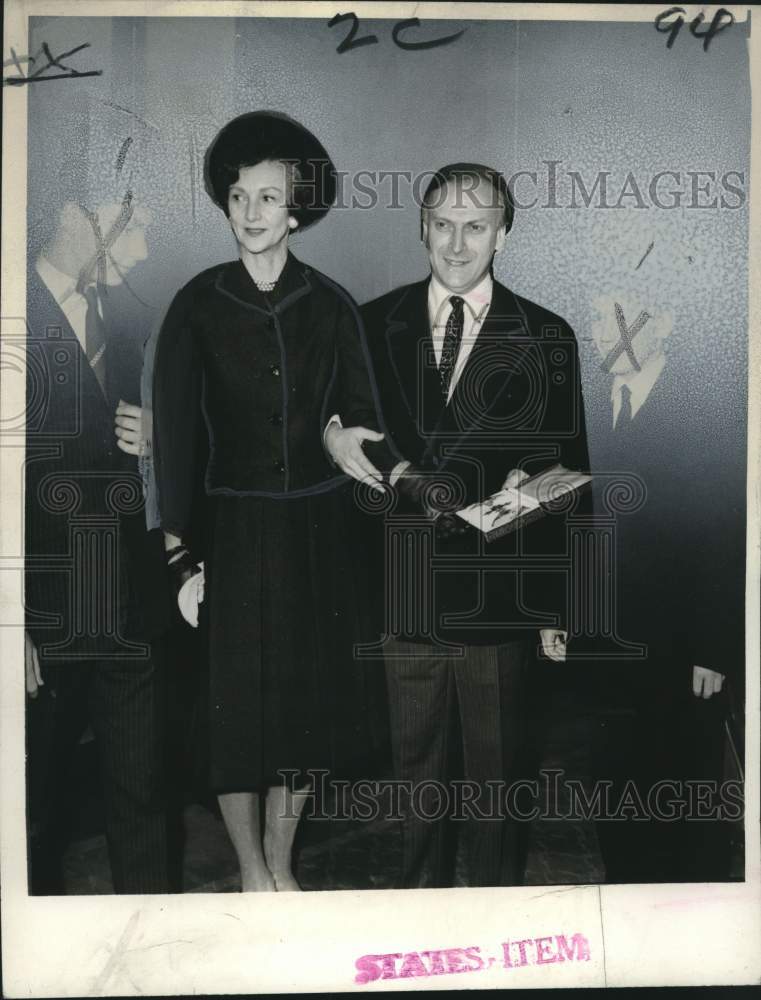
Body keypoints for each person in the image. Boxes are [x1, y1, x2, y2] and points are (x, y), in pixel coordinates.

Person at [152, 112, 395, 892]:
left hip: (318, 532)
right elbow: (178, 443)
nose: (252, 214)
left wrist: (342, 437)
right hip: (232, 532)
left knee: (303, 711)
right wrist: (183, 553)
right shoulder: (197, 305)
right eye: (238, 197)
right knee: (235, 711)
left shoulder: (332, 305)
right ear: (226, 206)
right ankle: (252, 872)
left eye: (268, 198)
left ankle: (282, 864)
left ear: (295, 209)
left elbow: (363, 421)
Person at [335, 163, 590, 888]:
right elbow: (348, 439)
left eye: (475, 225)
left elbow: (567, 469)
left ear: (502, 234)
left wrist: (558, 607)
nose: (456, 243)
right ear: (421, 227)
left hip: (500, 601)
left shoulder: (546, 335)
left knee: (496, 790)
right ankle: (420, 925)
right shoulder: (370, 323)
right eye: (441, 224)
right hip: (403, 594)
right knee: (415, 786)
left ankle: (493, 931)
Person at [25, 195, 173, 893]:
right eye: (136, 228)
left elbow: (170, 449)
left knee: (144, 808)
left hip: (128, 612)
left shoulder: (132, 319)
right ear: (76, 214)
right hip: (40, 622)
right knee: (31, 816)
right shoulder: (9, 314)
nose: (144, 251)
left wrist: (154, 446)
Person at [585, 284, 744, 882]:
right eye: (600, 319)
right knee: (617, 791)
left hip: (683, 652)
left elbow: (724, 534)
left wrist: (711, 648)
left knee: (684, 798)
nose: (606, 335)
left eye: (622, 319)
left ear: (667, 322)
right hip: (612, 650)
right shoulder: (601, 402)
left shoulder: (704, 411)